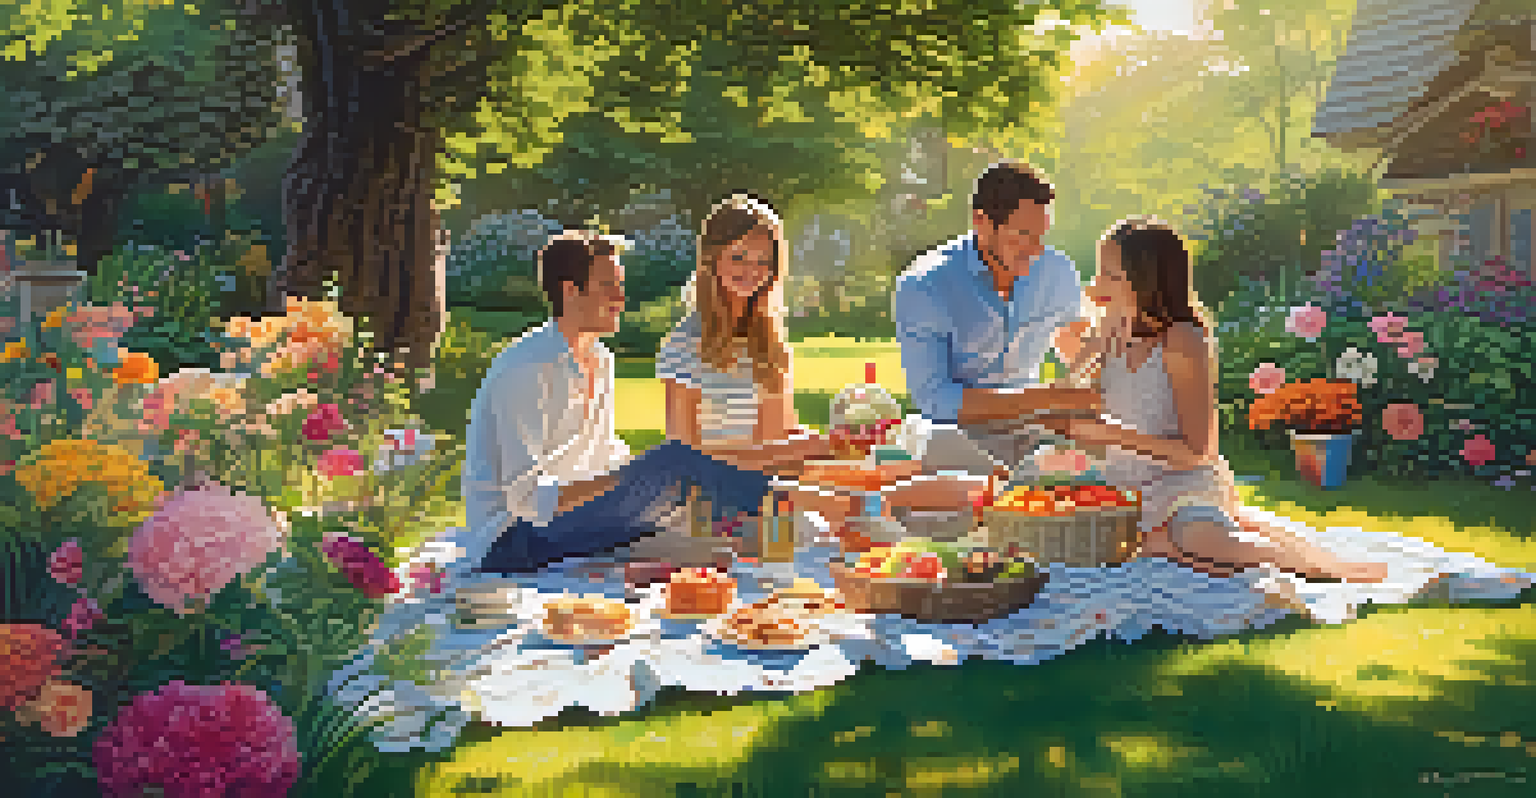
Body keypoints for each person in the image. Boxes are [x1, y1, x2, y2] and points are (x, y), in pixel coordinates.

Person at [1035, 217, 1388, 582]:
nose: (1096, 286)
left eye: (1110, 275)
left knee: (1198, 538)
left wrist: (1109, 434)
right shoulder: (1114, 330)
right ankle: (1169, 546)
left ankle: (1309, 565)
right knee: (1058, 527)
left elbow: (1197, 451)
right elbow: (1066, 391)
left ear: (1145, 282)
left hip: (1183, 485)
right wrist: (1092, 343)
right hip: (1125, 486)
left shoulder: (1183, 340)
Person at [657, 194, 979, 532]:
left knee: (902, 466)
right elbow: (686, 462)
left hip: (772, 476)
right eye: (738, 257)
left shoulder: (766, 341)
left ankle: (998, 502)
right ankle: (895, 529)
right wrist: (812, 447)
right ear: (711, 259)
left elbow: (777, 434)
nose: (751, 271)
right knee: (858, 502)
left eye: (763, 262)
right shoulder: (685, 346)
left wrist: (842, 443)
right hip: (715, 490)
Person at [463, 230, 773, 574]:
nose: (621, 298)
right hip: (511, 541)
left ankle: (777, 524)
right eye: (608, 286)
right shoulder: (525, 369)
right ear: (570, 291)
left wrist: (636, 478)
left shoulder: (600, 358)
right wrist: (633, 477)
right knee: (675, 458)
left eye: (620, 285)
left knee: (713, 556)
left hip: (580, 523)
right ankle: (792, 506)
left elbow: (603, 452)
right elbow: (527, 500)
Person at [892, 161, 1104, 478]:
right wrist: (1047, 398)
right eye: (1022, 235)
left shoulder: (1057, 272)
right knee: (935, 441)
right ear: (981, 222)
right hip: (960, 432)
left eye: (1041, 236)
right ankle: (1009, 490)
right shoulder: (925, 284)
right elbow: (936, 399)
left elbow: (1075, 347)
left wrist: (1102, 367)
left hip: (1033, 425)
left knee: (1110, 440)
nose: (1035, 251)